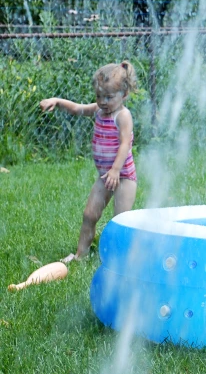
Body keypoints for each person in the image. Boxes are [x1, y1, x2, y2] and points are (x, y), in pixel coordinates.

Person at [40, 61, 138, 261]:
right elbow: (77, 109)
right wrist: (57, 101)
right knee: (89, 215)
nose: (103, 101)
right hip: (105, 176)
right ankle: (80, 255)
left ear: (124, 95)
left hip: (124, 177)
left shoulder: (123, 115)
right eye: (99, 96)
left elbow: (124, 144)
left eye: (109, 97)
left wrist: (115, 170)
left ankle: (122, 259)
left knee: (121, 220)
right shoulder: (99, 110)